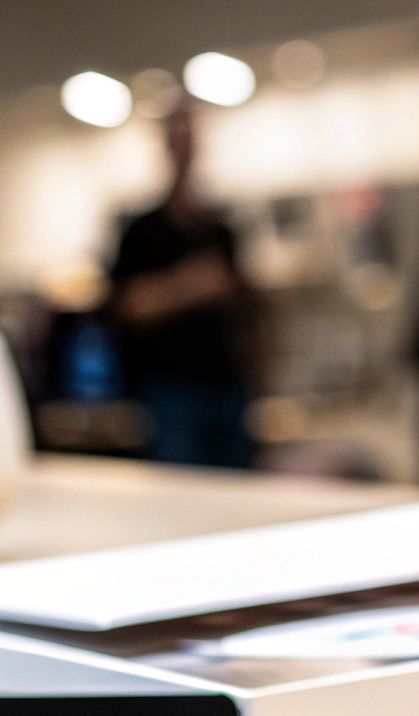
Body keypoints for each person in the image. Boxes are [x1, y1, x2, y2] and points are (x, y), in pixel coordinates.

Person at [107, 101, 260, 468]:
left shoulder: (220, 229)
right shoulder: (142, 232)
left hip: (227, 383)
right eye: (180, 137)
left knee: (239, 485)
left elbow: (246, 306)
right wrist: (188, 287)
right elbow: (125, 307)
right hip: (171, 388)